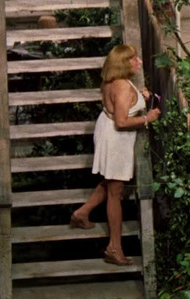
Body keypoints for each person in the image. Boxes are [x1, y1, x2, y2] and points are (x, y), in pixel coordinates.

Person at [69, 44, 161, 266]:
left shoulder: (112, 81)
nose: (138, 62)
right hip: (115, 138)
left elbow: (122, 104)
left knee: (111, 182)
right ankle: (114, 248)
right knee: (115, 193)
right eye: (133, 59)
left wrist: (139, 96)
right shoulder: (121, 87)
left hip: (107, 131)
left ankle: (82, 213)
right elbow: (121, 121)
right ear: (122, 63)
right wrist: (148, 118)